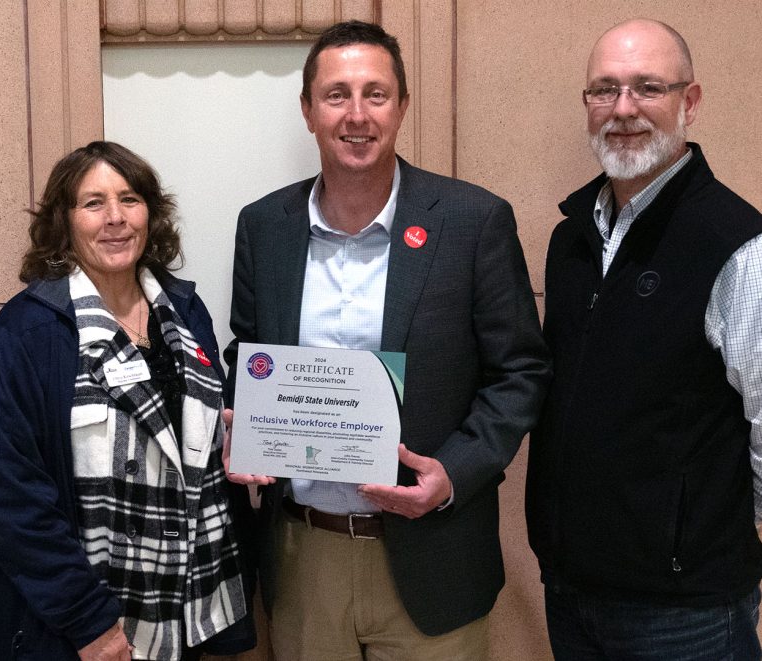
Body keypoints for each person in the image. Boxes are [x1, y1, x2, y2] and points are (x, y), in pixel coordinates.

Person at [223, 20, 551, 660]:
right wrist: (243, 424)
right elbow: (249, 353)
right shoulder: (264, 227)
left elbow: (521, 372)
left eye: (376, 94)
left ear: (402, 106)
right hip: (303, 555)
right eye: (336, 94)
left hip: (436, 552)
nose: (357, 114)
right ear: (308, 111)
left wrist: (453, 473)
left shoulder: (472, 221)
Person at [526, 18, 762, 660]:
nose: (623, 109)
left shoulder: (737, 246)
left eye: (647, 87)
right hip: (571, 588)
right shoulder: (571, 239)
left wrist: (717, 548)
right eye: (604, 90)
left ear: (690, 101)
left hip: (686, 610)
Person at [0, 141, 255, 661]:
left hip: (191, 611)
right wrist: (89, 623)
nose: (115, 218)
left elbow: (203, 438)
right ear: (66, 221)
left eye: (129, 199)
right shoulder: (25, 333)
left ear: (151, 212)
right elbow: (9, 498)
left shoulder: (186, 312)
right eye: (93, 203)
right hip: (88, 630)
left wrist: (235, 441)